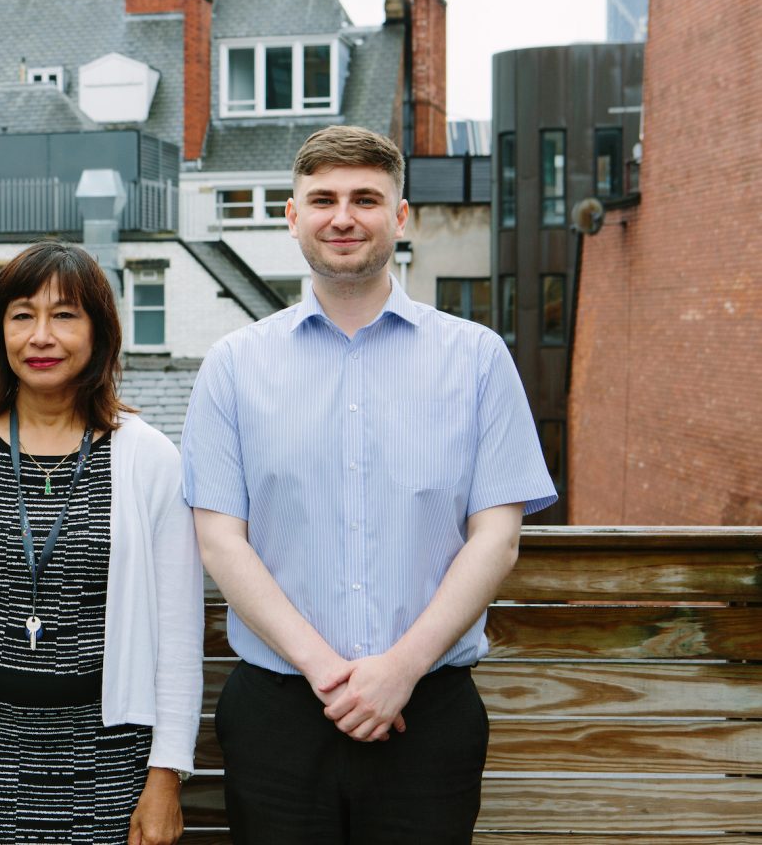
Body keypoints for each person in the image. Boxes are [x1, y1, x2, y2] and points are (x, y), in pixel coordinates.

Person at [182, 125, 556, 845]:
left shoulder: (477, 359)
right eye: (321, 199)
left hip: (429, 710)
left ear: (401, 216)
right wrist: (331, 673)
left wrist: (398, 671)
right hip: (278, 713)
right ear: (292, 217)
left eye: (366, 198)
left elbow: (498, 538)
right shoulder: (232, 366)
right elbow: (220, 542)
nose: (343, 216)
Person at [0, 241, 203, 845]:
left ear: (99, 333)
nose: (41, 336)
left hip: (108, 754)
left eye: (65, 315)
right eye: (21, 315)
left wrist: (165, 777)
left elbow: (177, 631)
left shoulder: (148, 458)